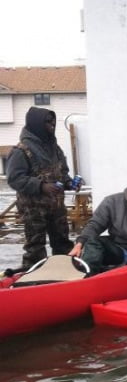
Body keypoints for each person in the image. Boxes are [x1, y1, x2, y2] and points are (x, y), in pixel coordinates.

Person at [6, 106, 77, 270]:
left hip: (56, 206)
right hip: (33, 209)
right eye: (48, 122)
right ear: (37, 124)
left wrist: (69, 182)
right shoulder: (20, 150)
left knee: (63, 242)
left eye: (53, 122)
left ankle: (66, 271)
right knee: (35, 247)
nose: (52, 125)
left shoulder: (55, 148)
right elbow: (14, 179)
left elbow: (63, 172)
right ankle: (33, 275)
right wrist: (41, 186)